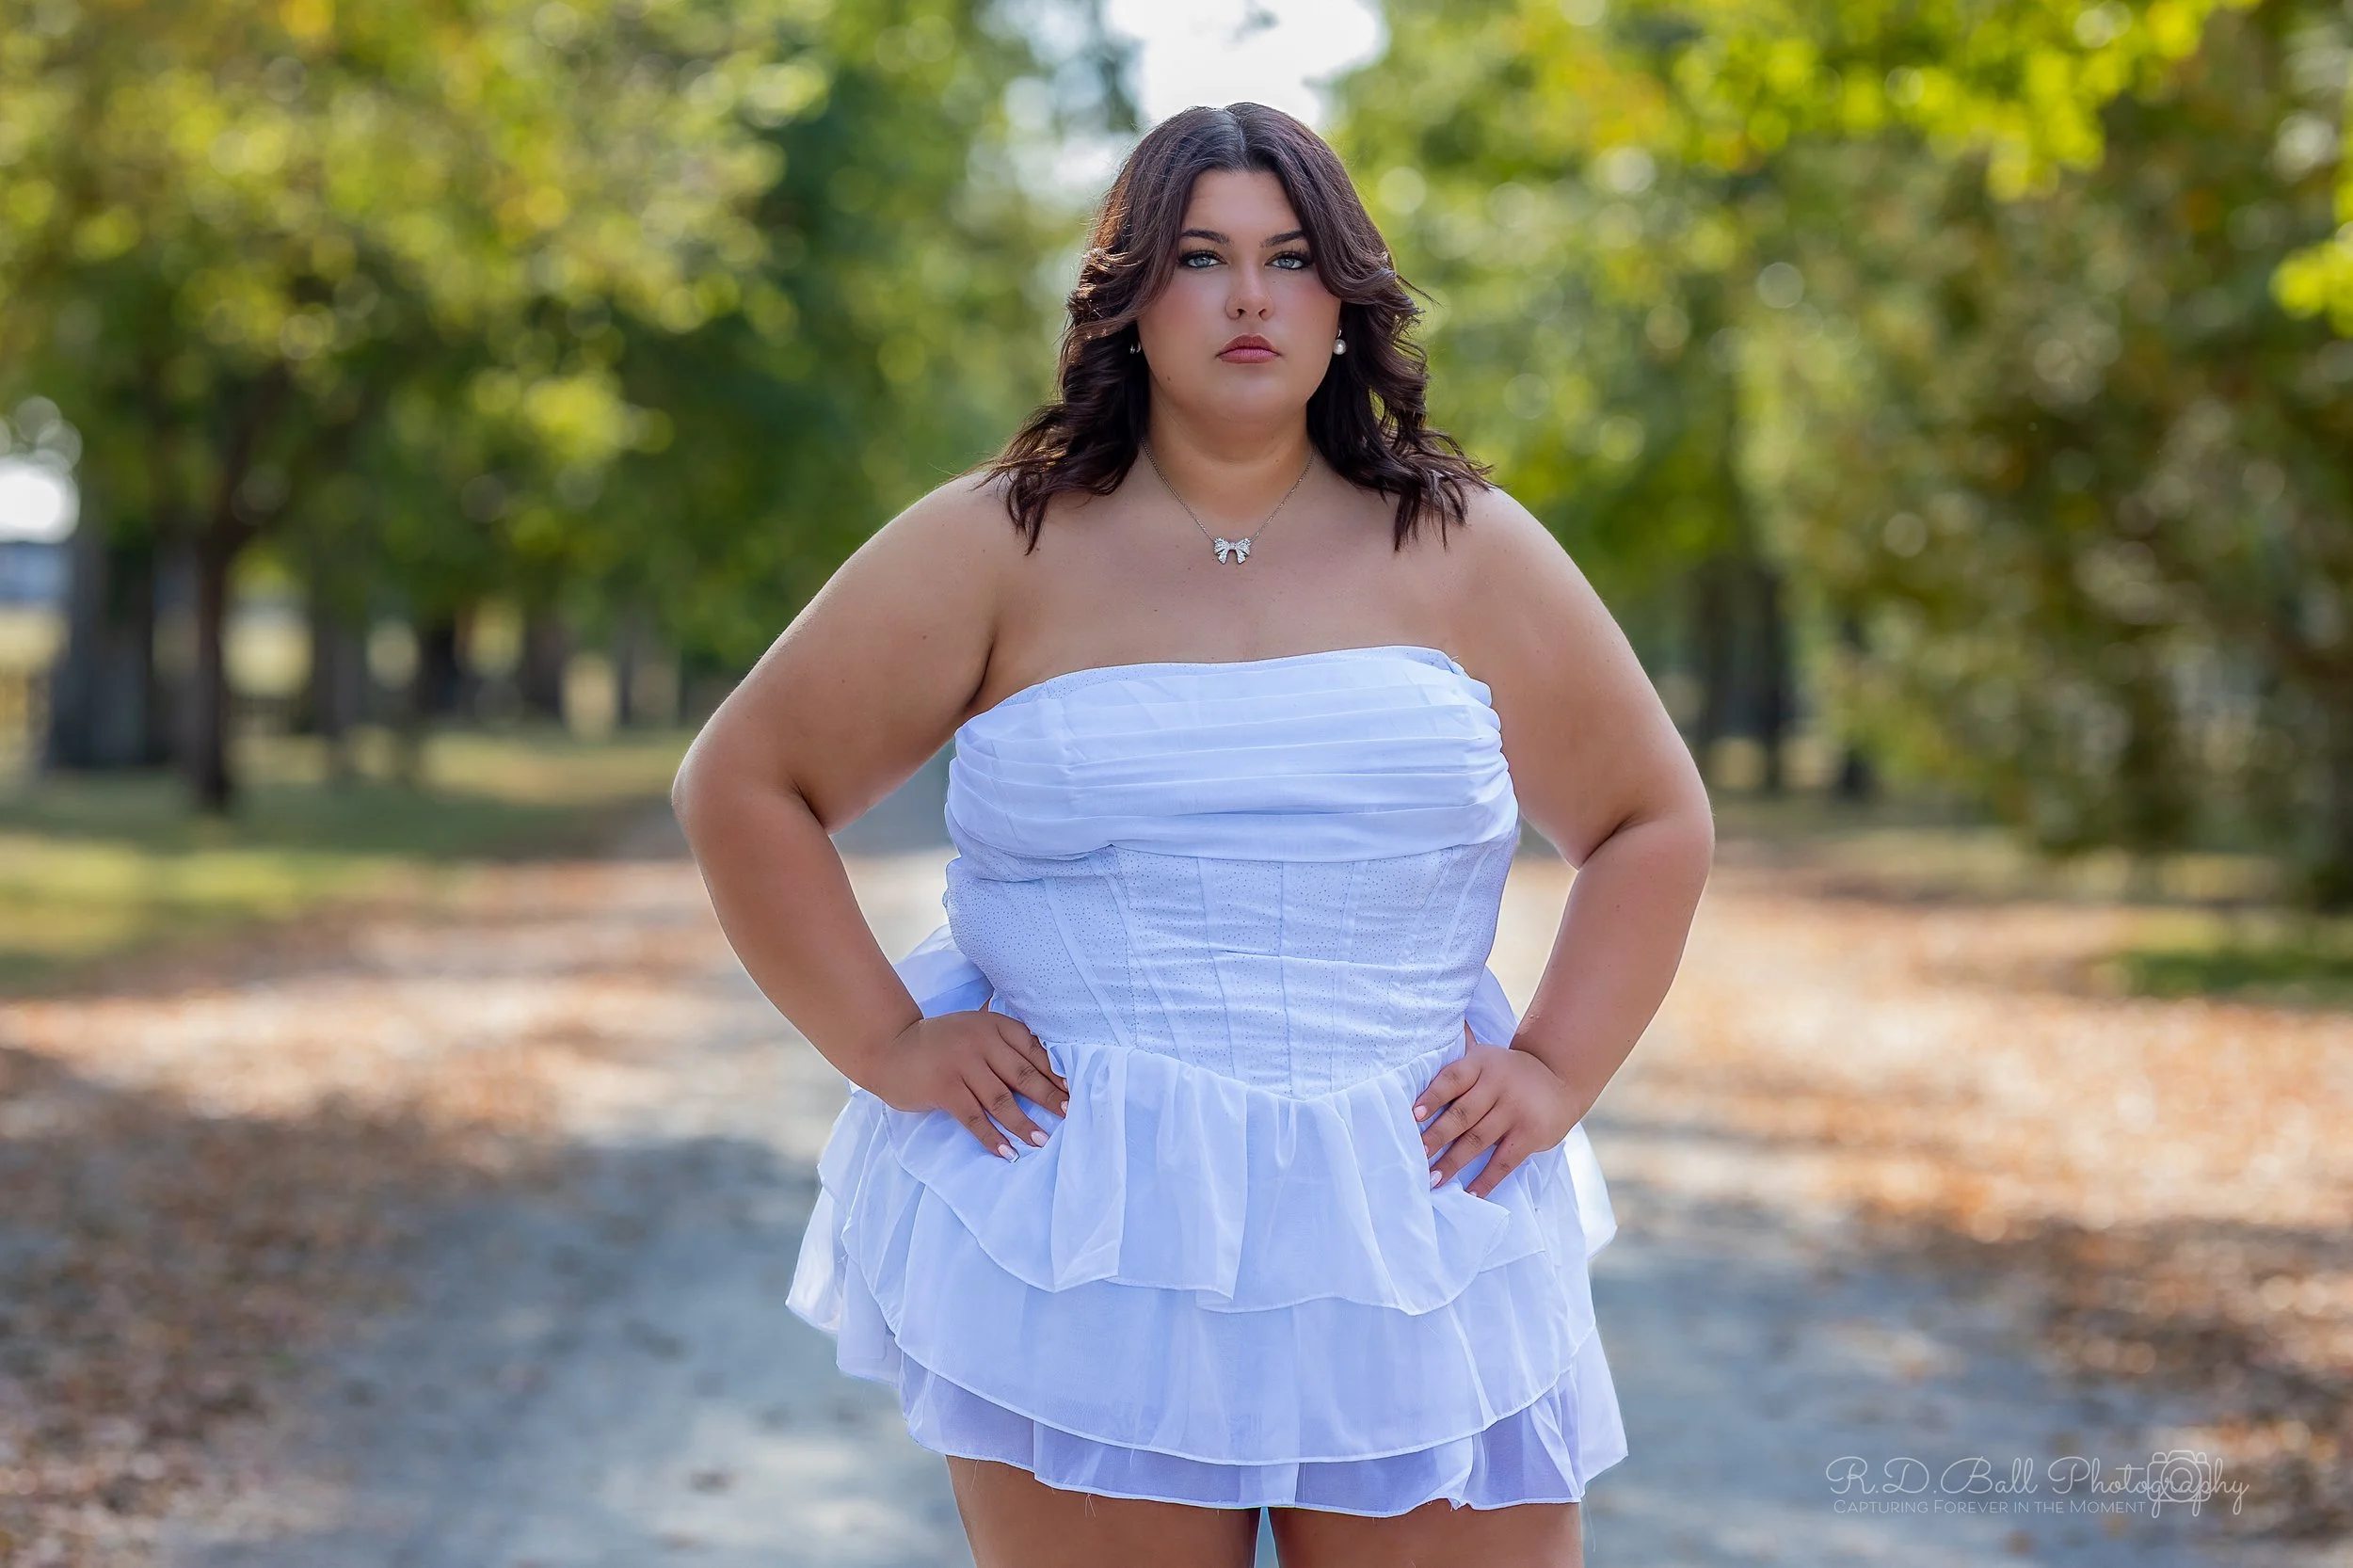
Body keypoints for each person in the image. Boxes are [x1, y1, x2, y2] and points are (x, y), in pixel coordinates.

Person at [671, 102, 1714, 1568]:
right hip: (1084, 1224)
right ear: (1127, 297)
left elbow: (1650, 817)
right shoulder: (996, 542)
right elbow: (744, 782)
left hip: (1415, 1217)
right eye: (1200, 256)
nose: (1247, 297)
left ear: (1345, 301)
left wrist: (1552, 1066)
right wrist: (891, 1043)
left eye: (1290, 259)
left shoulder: (1464, 546)